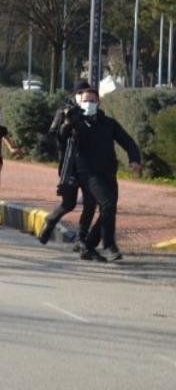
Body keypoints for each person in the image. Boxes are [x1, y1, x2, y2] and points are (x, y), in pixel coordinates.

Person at [58, 83, 142, 262]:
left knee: (109, 209)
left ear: (98, 102)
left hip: (109, 173)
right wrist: (68, 122)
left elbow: (128, 142)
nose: (89, 104)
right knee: (108, 205)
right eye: (86, 101)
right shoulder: (77, 124)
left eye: (93, 101)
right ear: (80, 102)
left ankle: (89, 246)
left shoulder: (108, 123)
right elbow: (62, 137)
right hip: (88, 173)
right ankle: (109, 245)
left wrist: (134, 159)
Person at [38, 83, 100, 250]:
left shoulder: (97, 115)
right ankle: (50, 221)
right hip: (70, 165)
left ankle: (81, 238)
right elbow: (55, 136)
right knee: (69, 203)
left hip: (90, 166)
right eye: (80, 94)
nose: (84, 99)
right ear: (75, 95)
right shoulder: (65, 111)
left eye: (89, 97)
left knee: (90, 202)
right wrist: (67, 123)